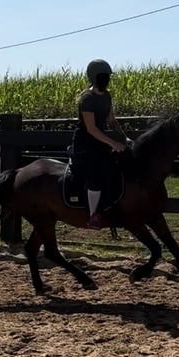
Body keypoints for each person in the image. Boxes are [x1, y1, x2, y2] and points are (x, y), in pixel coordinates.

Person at [70, 59, 132, 230]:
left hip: (101, 141)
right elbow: (91, 129)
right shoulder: (87, 99)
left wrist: (123, 138)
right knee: (95, 176)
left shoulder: (106, 95)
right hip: (86, 144)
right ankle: (92, 215)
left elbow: (111, 120)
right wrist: (113, 143)